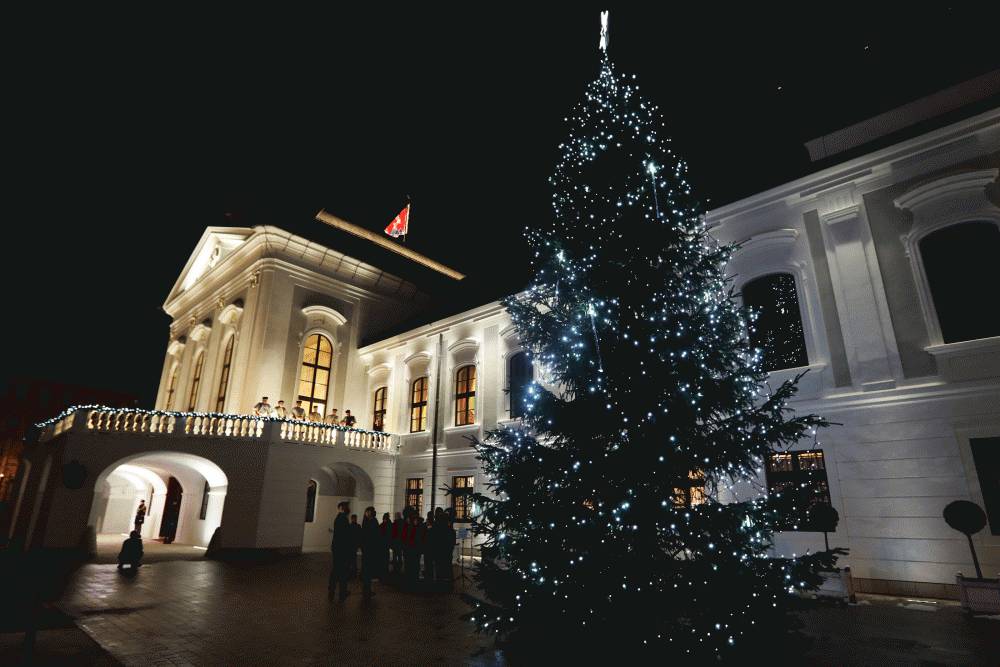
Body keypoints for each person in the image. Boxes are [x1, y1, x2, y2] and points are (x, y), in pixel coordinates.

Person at [329, 501, 352, 601]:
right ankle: (342, 592)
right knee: (342, 571)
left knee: (336, 569)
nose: (348, 509)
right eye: (347, 507)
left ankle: (332, 589)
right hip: (342, 548)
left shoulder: (339, 518)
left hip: (337, 547)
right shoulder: (343, 519)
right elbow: (345, 535)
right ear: (342, 508)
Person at [361, 507, 384, 600]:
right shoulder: (372, 522)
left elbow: (372, 537)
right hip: (369, 550)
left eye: (367, 512)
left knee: (367, 570)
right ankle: (366, 590)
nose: (366, 513)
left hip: (369, 550)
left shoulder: (371, 522)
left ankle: (366, 590)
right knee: (367, 571)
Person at [402, 514, 421, 584]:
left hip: (413, 550)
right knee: (411, 565)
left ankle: (412, 578)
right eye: (415, 520)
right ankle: (411, 578)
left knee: (413, 565)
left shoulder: (414, 528)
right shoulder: (411, 528)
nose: (416, 522)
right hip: (411, 550)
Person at [349, 513, 361, 578]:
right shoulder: (358, 526)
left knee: (351, 559)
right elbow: (360, 536)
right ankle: (354, 573)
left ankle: (352, 573)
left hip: (351, 544)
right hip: (354, 544)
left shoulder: (349, 526)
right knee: (353, 558)